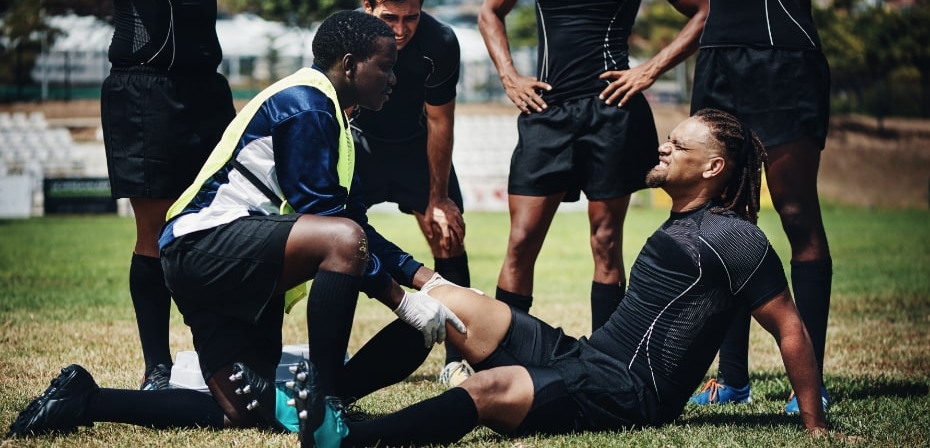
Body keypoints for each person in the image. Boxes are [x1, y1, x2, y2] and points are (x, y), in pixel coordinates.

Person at [6, 10, 464, 439]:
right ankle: (326, 402)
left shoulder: (336, 119)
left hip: (228, 263)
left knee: (241, 412)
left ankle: (84, 400)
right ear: (349, 64)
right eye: (385, 66)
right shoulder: (308, 106)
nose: (393, 78)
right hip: (205, 247)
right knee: (343, 240)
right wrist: (400, 298)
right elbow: (336, 229)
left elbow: (354, 220)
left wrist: (429, 280)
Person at [291, 109, 836, 447]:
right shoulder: (687, 218)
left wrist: (814, 428)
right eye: (668, 140)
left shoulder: (735, 239)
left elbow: (789, 327)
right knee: (447, 306)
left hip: (628, 393)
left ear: (713, 169)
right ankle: (329, 395)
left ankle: (349, 441)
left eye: (679, 145)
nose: (664, 147)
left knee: (485, 389)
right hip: (585, 356)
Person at [478, 0, 709, 333]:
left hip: (611, 113)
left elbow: (704, 10)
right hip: (547, 111)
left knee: (606, 240)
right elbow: (490, 12)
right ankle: (506, 362)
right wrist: (508, 76)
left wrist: (649, 70)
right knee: (521, 241)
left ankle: (606, 364)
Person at [687, 0, 833, 415]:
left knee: (796, 212)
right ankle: (733, 380)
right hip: (717, 54)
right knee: (724, 216)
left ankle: (811, 385)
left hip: (783, 52)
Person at [101, 0, 237, 391]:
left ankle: (226, 356)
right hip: (145, 86)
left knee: (226, 221)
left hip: (208, 87)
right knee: (154, 234)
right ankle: (156, 368)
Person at [353, 0, 473, 385]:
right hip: (360, 147)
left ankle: (458, 358)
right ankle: (328, 357)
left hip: (415, 150)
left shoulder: (440, 41)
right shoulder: (345, 34)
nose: (401, 30)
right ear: (368, 5)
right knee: (333, 237)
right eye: (390, 17)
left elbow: (440, 120)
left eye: (411, 18)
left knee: (448, 234)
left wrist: (438, 197)